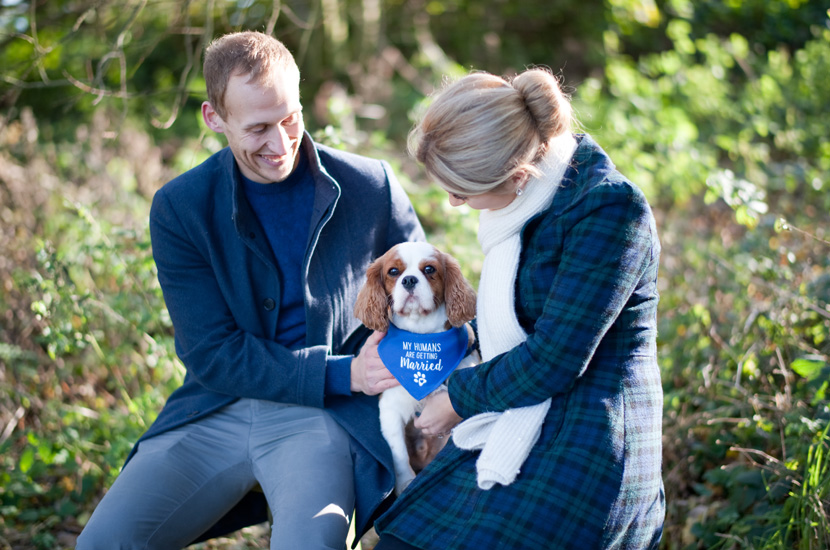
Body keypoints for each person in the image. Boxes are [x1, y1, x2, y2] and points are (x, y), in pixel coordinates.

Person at [77, 31, 424, 550]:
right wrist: (342, 370)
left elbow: (429, 306)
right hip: (219, 407)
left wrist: (398, 382)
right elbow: (210, 353)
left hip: (326, 415)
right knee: (103, 543)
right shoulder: (180, 207)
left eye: (290, 119)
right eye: (258, 128)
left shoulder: (371, 185)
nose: (280, 144)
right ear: (214, 119)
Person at [372, 68, 665, 549]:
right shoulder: (524, 202)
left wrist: (457, 399)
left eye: (461, 192)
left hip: (590, 437)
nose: (453, 204)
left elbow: (555, 359)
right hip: (515, 405)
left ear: (517, 172)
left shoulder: (609, 210)